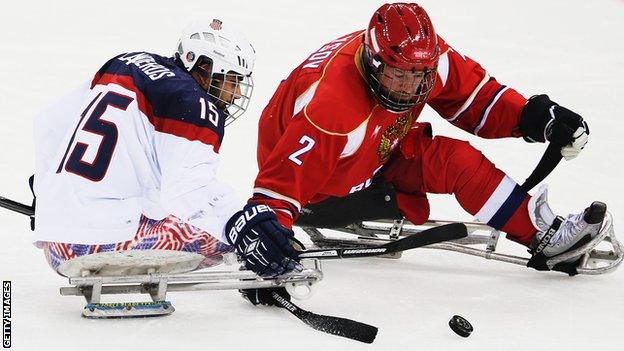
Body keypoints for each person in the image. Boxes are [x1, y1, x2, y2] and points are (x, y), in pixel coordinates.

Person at [224, 2, 606, 278]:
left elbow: (476, 100)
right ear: (373, 62)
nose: (411, 89)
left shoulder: (421, 58)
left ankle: (542, 234)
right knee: (435, 156)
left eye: (419, 76)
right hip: (322, 178)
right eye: (400, 76)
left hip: (373, 148)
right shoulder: (331, 108)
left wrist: (536, 118)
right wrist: (268, 235)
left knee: (456, 160)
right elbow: (277, 188)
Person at [32, 18, 256, 277]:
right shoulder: (192, 102)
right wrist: (245, 223)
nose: (237, 92)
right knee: (225, 232)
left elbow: (48, 124)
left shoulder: (125, 63)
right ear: (203, 67)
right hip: (98, 245)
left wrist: (47, 193)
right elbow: (188, 191)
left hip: (56, 247)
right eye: (231, 80)